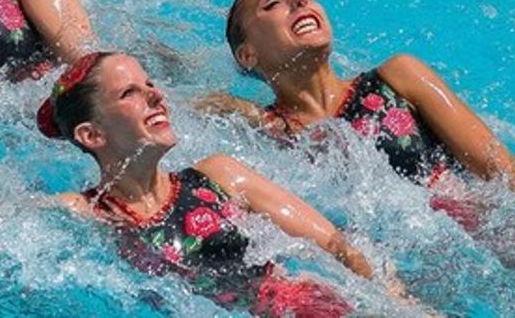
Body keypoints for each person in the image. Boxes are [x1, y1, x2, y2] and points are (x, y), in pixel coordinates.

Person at [39, 52, 383, 316]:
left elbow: (338, 246)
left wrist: (400, 304)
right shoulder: (88, 212)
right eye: (130, 92)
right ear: (92, 134)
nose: (156, 96)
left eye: (150, 84)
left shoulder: (220, 177)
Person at [202, 0, 515, 225]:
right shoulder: (275, 131)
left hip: (502, 238)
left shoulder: (398, 77)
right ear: (247, 55)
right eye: (273, 3)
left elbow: (506, 174)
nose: (301, 1)